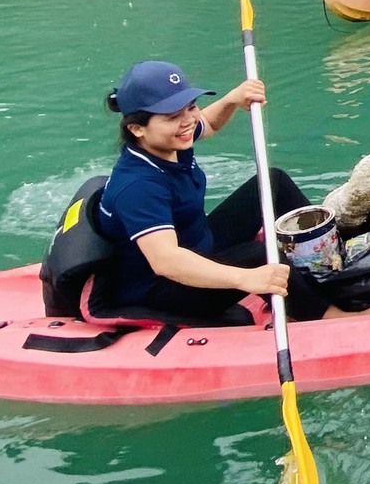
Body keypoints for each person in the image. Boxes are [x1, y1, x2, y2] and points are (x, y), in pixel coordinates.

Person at [92, 60, 336, 323]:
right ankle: (328, 314)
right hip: (160, 288)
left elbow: (207, 123)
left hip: (197, 243)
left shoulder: (169, 142)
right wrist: (246, 278)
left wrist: (233, 99)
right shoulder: (138, 185)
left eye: (191, 107)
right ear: (136, 128)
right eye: (173, 116)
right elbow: (166, 261)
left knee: (272, 182)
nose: (188, 121)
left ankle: (329, 262)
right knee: (257, 256)